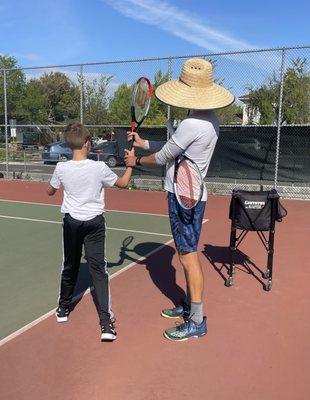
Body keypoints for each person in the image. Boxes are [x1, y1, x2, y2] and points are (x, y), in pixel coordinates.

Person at [125, 58, 234, 341]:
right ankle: (189, 306)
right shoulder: (209, 121)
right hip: (194, 194)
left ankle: (197, 321)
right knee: (188, 254)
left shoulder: (191, 123)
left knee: (187, 257)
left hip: (184, 197)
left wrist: (136, 159)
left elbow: (164, 158)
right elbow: (175, 147)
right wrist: (144, 143)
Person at [47, 123, 134, 342]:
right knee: (99, 270)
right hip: (95, 223)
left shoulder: (61, 168)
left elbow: (50, 191)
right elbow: (123, 183)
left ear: (68, 145)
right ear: (88, 144)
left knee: (70, 264)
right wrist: (130, 165)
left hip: (71, 224)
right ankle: (106, 324)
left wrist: (54, 186)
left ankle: (63, 309)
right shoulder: (99, 168)